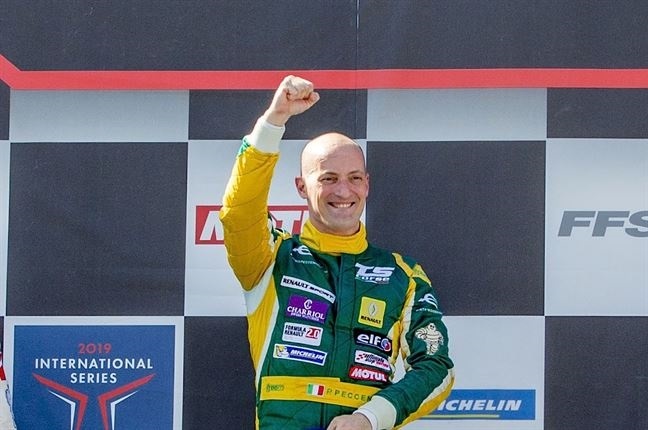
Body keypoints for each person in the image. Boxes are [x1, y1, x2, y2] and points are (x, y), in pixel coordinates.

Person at [220, 75, 454, 430]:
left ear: (367, 184)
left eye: (354, 178)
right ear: (302, 186)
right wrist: (273, 122)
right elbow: (239, 214)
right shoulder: (271, 257)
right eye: (328, 178)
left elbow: (437, 368)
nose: (343, 191)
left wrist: (369, 418)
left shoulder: (403, 275)